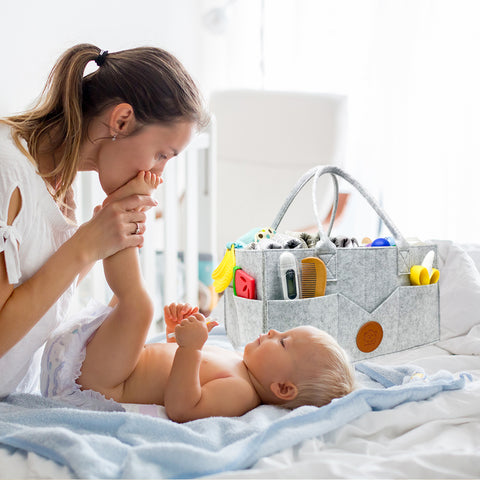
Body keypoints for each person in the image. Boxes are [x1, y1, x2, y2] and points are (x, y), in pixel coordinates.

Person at [42, 169, 355, 422]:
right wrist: (174, 337)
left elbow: (183, 407)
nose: (273, 331)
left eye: (283, 342)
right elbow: (169, 371)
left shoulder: (241, 392)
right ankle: (116, 228)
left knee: (138, 306)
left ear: (283, 388)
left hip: (108, 385)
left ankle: (119, 219)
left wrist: (190, 349)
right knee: (133, 302)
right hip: (114, 366)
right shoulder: (236, 362)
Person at [0, 43, 209, 397]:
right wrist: (84, 246)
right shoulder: (9, 173)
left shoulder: (58, 181)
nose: (158, 171)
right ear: (122, 120)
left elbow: (46, 291)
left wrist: (105, 239)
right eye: (161, 154)